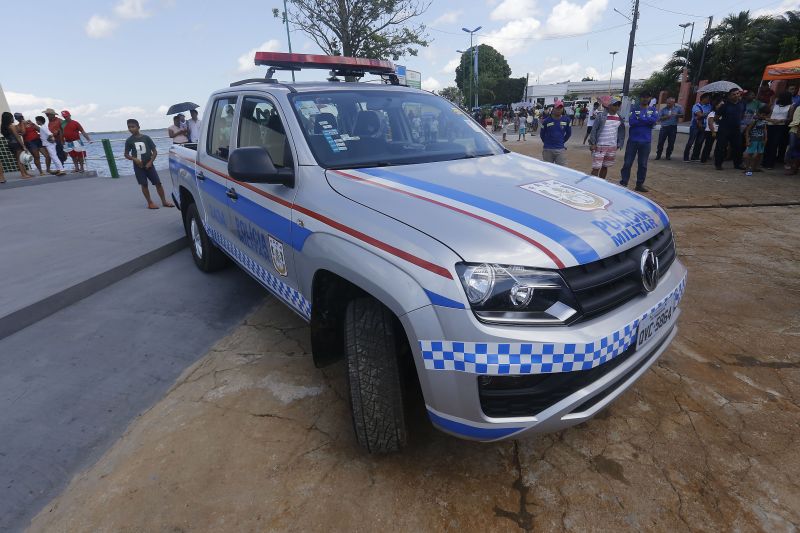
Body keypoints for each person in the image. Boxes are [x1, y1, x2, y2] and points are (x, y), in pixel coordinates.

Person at [124, 118, 175, 210]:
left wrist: (150, 162)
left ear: (138, 127)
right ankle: (150, 203)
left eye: (133, 127)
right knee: (144, 184)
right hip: (138, 167)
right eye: (129, 127)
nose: (131, 129)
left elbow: (154, 151)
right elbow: (126, 154)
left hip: (149, 165)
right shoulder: (129, 141)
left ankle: (164, 201)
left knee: (158, 183)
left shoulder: (146, 138)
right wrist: (134, 159)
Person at [620, 92, 658, 192]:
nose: (645, 99)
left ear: (650, 98)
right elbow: (632, 122)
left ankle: (639, 184)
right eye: (643, 97)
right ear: (640, 98)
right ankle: (624, 181)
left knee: (643, 164)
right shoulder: (634, 109)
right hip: (633, 140)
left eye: (647, 97)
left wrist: (641, 119)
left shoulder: (653, 110)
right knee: (627, 163)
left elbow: (653, 121)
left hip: (646, 141)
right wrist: (646, 120)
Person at [588, 96, 625, 180]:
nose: (617, 107)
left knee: (605, 166)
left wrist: (619, 144)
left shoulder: (619, 118)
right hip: (600, 146)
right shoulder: (601, 116)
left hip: (612, 147)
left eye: (618, 105)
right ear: (609, 105)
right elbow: (594, 130)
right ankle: (591, 184)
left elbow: (621, 132)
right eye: (615, 105)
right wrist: (593, 143)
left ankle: (601, 183)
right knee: (596, 167)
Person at [713, 89, 745, 170]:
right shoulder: (725, 105)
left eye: (737, 93)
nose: (736, 95)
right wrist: (722, 123)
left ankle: (738, 164)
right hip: (724, 129)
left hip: (736, 129)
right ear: (729, 96)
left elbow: (742, 115)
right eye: (734, 94)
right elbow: (716, 118)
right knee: (721, 147)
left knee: (737, 147)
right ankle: (718, 164)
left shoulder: (742, 104)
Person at [762, 91, 793, 170]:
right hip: (770, 125)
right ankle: (764, 161)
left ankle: (770, 163)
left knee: (774, 144)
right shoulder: (774, 105)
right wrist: (771, 120)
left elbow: (790, 118)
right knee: (768, 143)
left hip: (781, 127)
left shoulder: (790, 106)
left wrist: (780, 120)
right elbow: (768, 115)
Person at [1, 111, 33, 178]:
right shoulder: (12, 126)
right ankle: (23, 174)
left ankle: (25, 173)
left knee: (19, 159)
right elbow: (17, 137)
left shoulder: (3, 127)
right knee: (20, 160)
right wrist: (23, 146)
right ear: (9, 118)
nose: (13, 119)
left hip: (10, 143)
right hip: (16, 144)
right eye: (12, 117)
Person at [539, 101, 571, 166]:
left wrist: (562, 142)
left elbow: (568, 133)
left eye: (561, 108)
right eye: (557, 108)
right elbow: (542, 134)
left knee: (562, 170)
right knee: (548, 170)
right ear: (553, 109)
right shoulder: (546, 121)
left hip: (560, 149)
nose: (559, 110)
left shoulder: (567, 120)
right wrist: (547, 143)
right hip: (548, 150)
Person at [684, 93, 712, 162]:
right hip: (695, 126)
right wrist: (708, 113)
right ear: (703, 99)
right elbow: (700, 114)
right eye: (708, 98)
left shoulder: (709, 106)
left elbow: (702, 115)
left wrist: (703, 115)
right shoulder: (696, 106)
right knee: (691, 142)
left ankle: (695, 156)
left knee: (699, 142)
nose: (709, 100)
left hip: (704, 126)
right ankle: (686, 157)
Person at [743, 105, 769, 176]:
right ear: (759, 113)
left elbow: (765, 129)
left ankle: (755, 167)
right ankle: (747, 168)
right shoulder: (754, 121)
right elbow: (747, 131)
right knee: (750, 154)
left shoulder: (764, 121)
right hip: (753, 139)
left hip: (761, 139)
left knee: (760, 154)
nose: (764, 116)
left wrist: (766, 138)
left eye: (765, 115)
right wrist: (747, 140)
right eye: (763, 115)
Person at [700, 96, 721, 164]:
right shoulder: (712, 113)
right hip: (710, 131)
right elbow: (710, 123)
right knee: (708, 145)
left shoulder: (719, 113)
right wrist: (713, 131)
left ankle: (709, 158)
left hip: (717, 131)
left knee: (715, 145)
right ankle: (703, 159)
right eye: (719, 104)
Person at [786, 102, 800, 175]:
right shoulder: (798, 108)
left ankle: (795, 168)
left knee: (796, 150)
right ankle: (791, 166)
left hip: (796, 131)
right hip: (795, 130)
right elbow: (797, 121)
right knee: (793, 148)